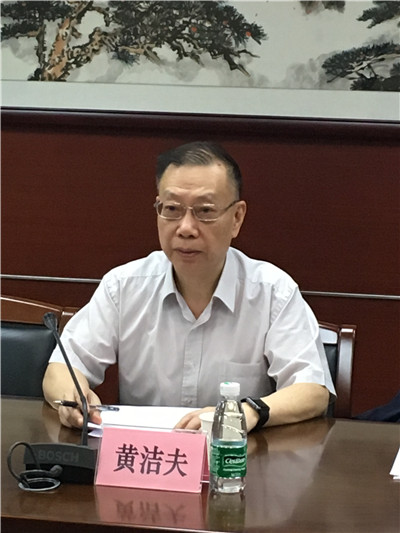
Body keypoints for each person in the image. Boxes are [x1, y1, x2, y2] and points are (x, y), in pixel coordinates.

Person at [43, 141, 334, 432]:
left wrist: (245, 411)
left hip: (235, 455)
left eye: (205, 211)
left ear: (236, 218)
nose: (185, 228)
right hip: (147, 454)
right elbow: (63, 367)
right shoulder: (123, 286)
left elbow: (312, 391)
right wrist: (72, 398)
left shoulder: (273, 292)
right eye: (171, 209)